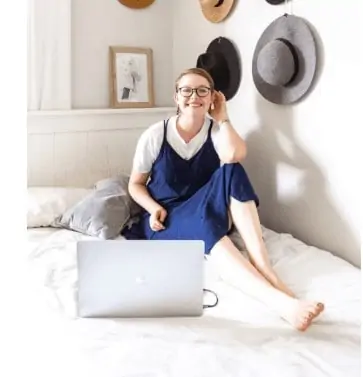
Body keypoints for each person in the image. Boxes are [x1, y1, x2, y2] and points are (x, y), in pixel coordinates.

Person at [122, 67, 324, 331]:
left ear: (212, 97)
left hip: (206, 206)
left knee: (232, 169)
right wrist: (153, 207)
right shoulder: (155, 135)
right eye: (186, 90)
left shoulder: (215, 131)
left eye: (202, 90)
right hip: (168, 216)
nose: (194, 96)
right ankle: (284, 306)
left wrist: (223, 118)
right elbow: (135, 184)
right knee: (205, 225)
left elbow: (235, 155)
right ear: (176, 97)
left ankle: (263, 265)